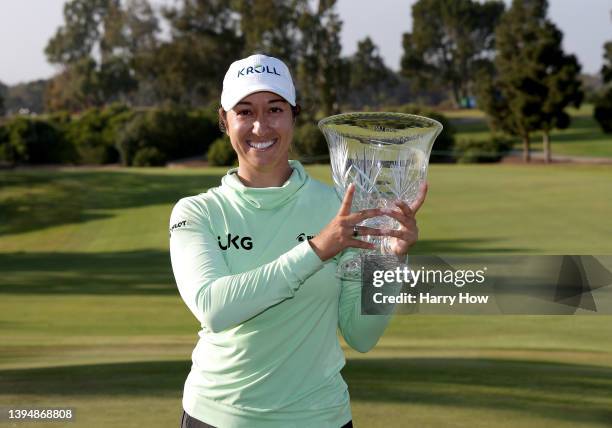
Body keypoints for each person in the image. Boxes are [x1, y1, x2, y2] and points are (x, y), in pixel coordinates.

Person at [169, 54, 427, 428]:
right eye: (244, 112)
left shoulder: (339, 210)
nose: (260, 126)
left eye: (274, 109)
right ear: (224, 121)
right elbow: (214, 308)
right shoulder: (197, 213)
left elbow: (361, 335)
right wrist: (317, 249)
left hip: (320, 417)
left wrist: (390, 259)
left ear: (293, 115)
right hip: (220, 417)